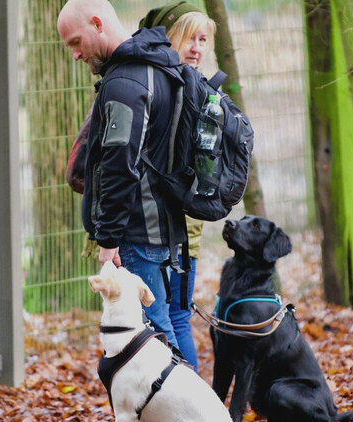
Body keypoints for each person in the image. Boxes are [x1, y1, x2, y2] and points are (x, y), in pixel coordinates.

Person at [64, 1, 216, 371]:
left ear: (97, 23)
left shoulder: (125, 83)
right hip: (165, 230)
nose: (74, 54)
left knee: (156, 346)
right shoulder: (158, 68)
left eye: (75, 41)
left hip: (138, 235)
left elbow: (120, 166)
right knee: (166, 334)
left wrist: (109, 240)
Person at [139, 1, 216, 373]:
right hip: (162, 225)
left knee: (176, 318)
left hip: (184, 231)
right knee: (169, 318)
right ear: (168, 38)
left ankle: (188, 403)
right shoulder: (163, 83)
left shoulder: (200, 91)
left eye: (203, 39)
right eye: (189, 37)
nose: (197, 47)